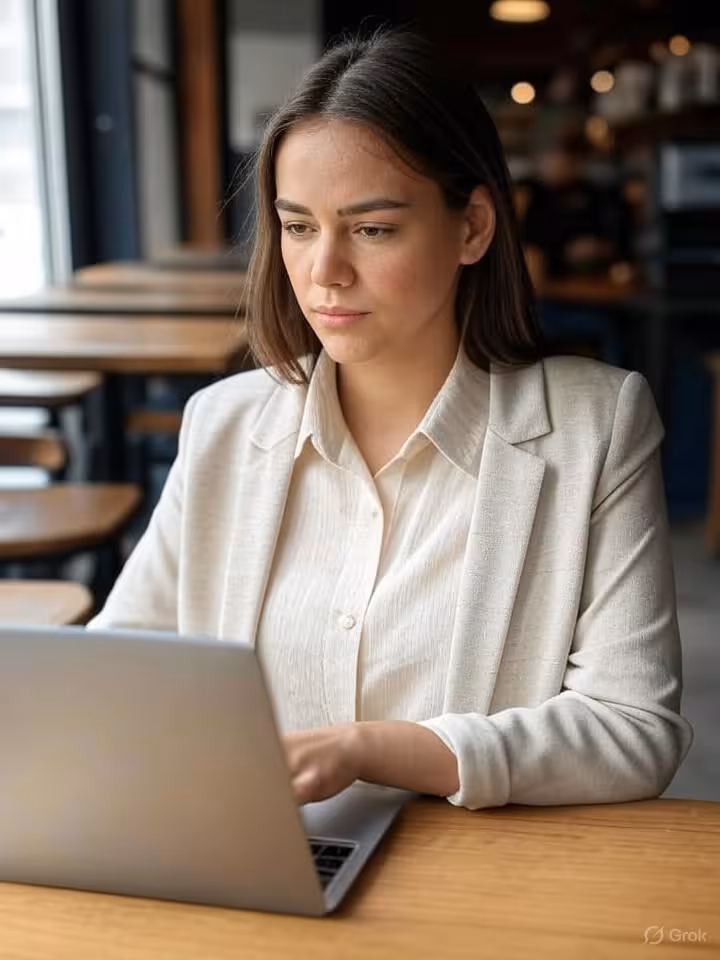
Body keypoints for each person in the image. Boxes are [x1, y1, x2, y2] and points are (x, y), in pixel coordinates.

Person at [88, 29, 693, 811]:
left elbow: (632, 729)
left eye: (372, 230)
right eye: (299, 227)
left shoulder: (595, 426)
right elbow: (124, 659)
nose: (324, 271)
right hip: (253, 860)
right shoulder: (224, 424)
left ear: (473, 227)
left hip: (471, 889)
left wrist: (372, 750)